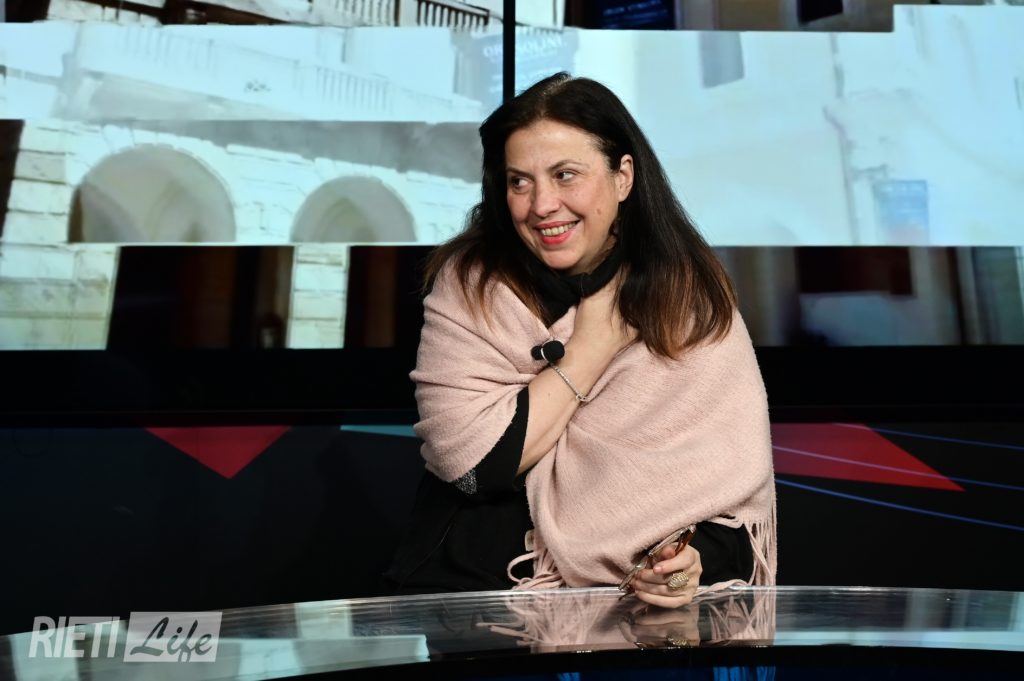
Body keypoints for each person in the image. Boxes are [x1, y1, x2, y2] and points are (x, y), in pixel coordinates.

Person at [383, 72, 775, 608]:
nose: (541, 204)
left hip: (637, 616)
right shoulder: (472, 282)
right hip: (480, 594)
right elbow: (473, 468)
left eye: (565, 175)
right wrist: (591, 347)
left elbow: (727, 504)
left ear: (623, 176)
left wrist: (683, 568)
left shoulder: (688, 295)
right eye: (519, 182)